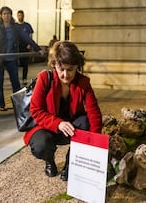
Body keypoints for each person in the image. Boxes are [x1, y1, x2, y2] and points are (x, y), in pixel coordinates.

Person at [23, 41, 103, 180]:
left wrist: (94, 142)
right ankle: (49, 160)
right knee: (41, 146)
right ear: (54, 65)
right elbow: (36, 110)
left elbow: (94, 112)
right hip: (46, 127)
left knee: (86, 122)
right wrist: (58, 123)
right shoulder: (44, 78)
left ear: (77, 66)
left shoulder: (83, 82)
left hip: (71, 126)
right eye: (61, 69)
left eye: (70, 69)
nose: (66, 75)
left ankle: (71, 162)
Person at [0, 6, 43, 111]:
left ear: (11, 15)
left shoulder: (15, 27)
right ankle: (0, 104)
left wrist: (38, 48)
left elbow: (26, 37)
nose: (6, 16)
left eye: (8, 13)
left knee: (15, 82)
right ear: (1, 15)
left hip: (11, 58)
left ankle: (18, 104)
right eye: (4, 14)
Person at [17, 10, 34, 86]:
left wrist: (30, 44)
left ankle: (24, 79)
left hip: (25, 47)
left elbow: (30, 35)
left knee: (25, 64)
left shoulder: (27, 26)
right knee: (16, 64)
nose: (20, 16)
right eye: (19, 15)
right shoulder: (15, 26)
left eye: (21, 15)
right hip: (17, 47)